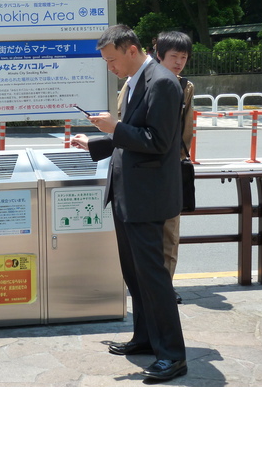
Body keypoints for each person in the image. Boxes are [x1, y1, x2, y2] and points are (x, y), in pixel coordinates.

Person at [71, 24, 187, 382]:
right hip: (127, 194)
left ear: (132, 49)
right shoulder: (137, 80)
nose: (110, 67)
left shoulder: (163, 82)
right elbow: (133, 135)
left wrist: (113, 129)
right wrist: (97, 142)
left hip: (147, 199)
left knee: (153, 278)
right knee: (135, 275)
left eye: (112, 60)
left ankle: (172, 354)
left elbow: (158, 140)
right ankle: (145, 337)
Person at [154, 31, 194, 303]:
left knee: (170, 231)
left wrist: (180, 158)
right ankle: (145, 284)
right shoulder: (142, 82)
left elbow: (187, 127)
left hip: (172, 167)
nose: (179, 62)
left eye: (184, 57)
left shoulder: (185, 87)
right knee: (146, 232)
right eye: (174, 57)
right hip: (146, 168)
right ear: (159, 55)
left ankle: (165, 285)